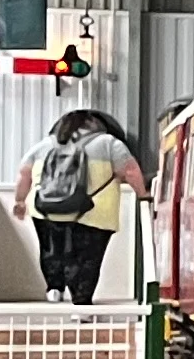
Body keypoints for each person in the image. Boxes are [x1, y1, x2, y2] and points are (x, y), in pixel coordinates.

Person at [26, 107, 138, 305]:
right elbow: (129, 171)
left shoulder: (44, 145)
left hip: (47, 209)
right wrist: (143, 194)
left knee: (53, 250)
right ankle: (81, 301)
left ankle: (54, 288)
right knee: (88, 258)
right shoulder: (109, 143)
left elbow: (23, 174)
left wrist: (19, 200)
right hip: (95, 211)